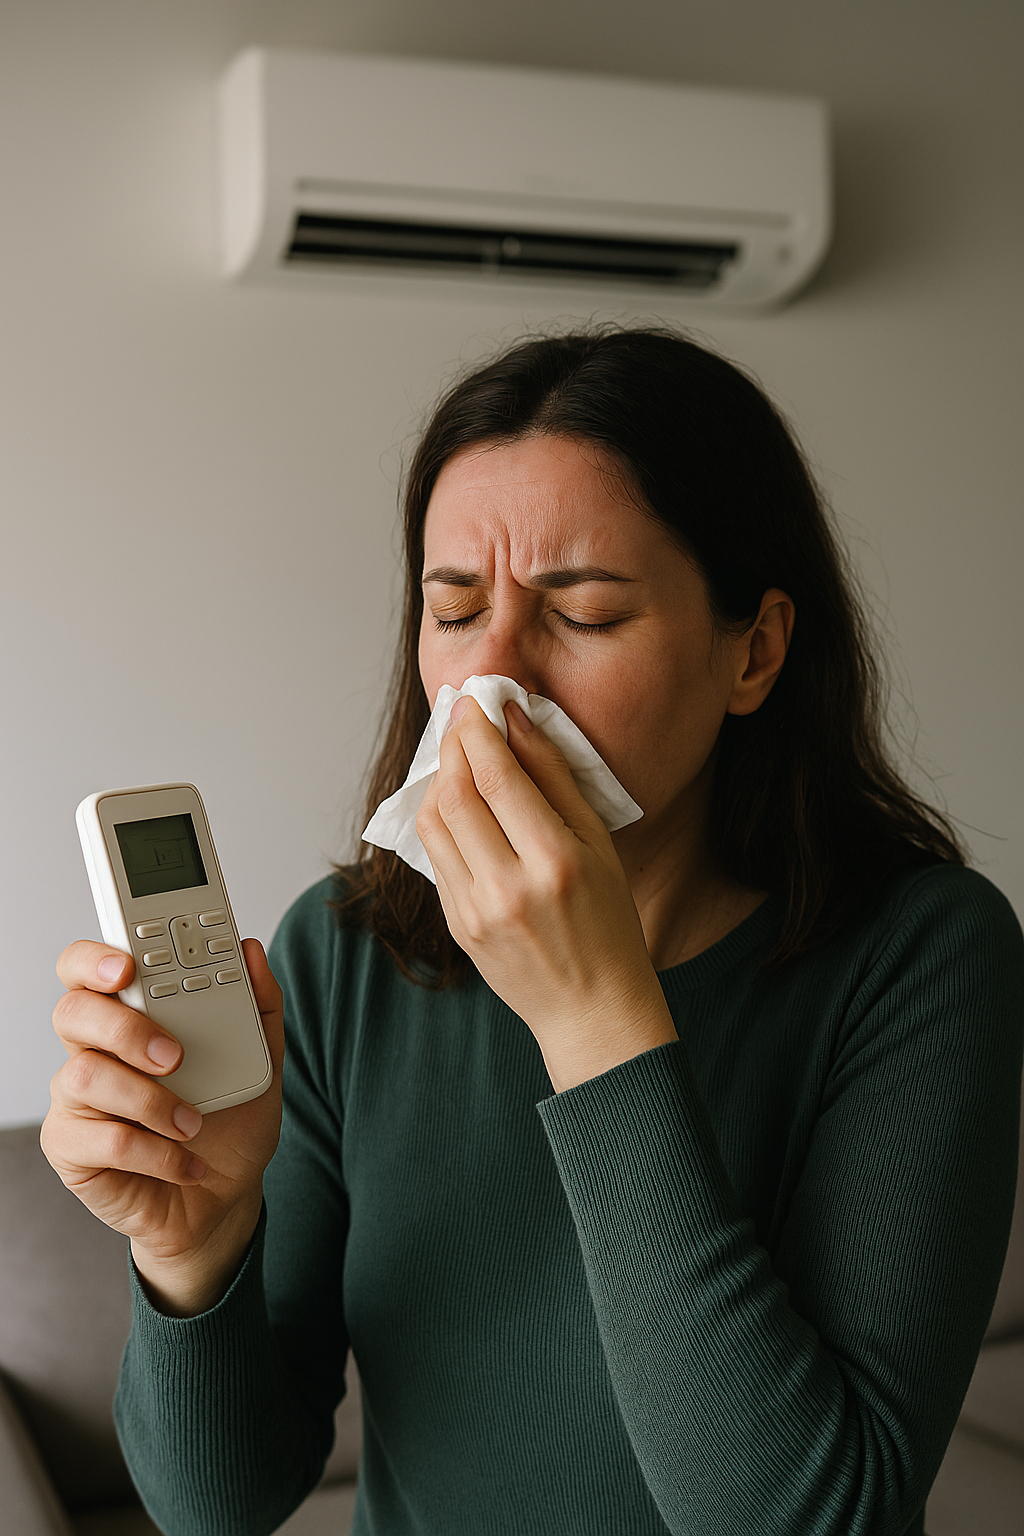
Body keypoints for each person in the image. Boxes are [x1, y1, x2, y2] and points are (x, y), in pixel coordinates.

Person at [42, 327, 1023, 1536]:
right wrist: (194, 1253)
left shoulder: (925, 956)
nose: (491, 684)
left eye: (589, 615)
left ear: (754, 651)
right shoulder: (340, 957)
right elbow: (218, 1507)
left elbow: (812, 1516)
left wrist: (593, 1018)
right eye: (454, 610)